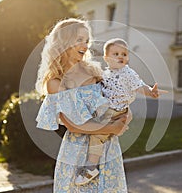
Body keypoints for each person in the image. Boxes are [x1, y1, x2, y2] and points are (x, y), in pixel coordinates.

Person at [35, 18, 130, 192]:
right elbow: (73, 125)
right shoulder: (56, 82)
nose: (85, 45)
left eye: (86, 41)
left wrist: (125, 114)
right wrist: (113, 128)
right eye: (79, 40)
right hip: (77, 154)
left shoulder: (94, 71)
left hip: (108, 150)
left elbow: (115, 99)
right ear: (63, 43)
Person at [75, 38, 168, 185]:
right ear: (106, 58)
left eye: (124, 54)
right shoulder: (106, 73)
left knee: (97, 135)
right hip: (108, 109)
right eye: (116, 53)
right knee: (96, 131)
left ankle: (91, 168)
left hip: (115, 111)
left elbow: (139, 86)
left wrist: (151, 92)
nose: (120, 57)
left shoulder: (127, 73)